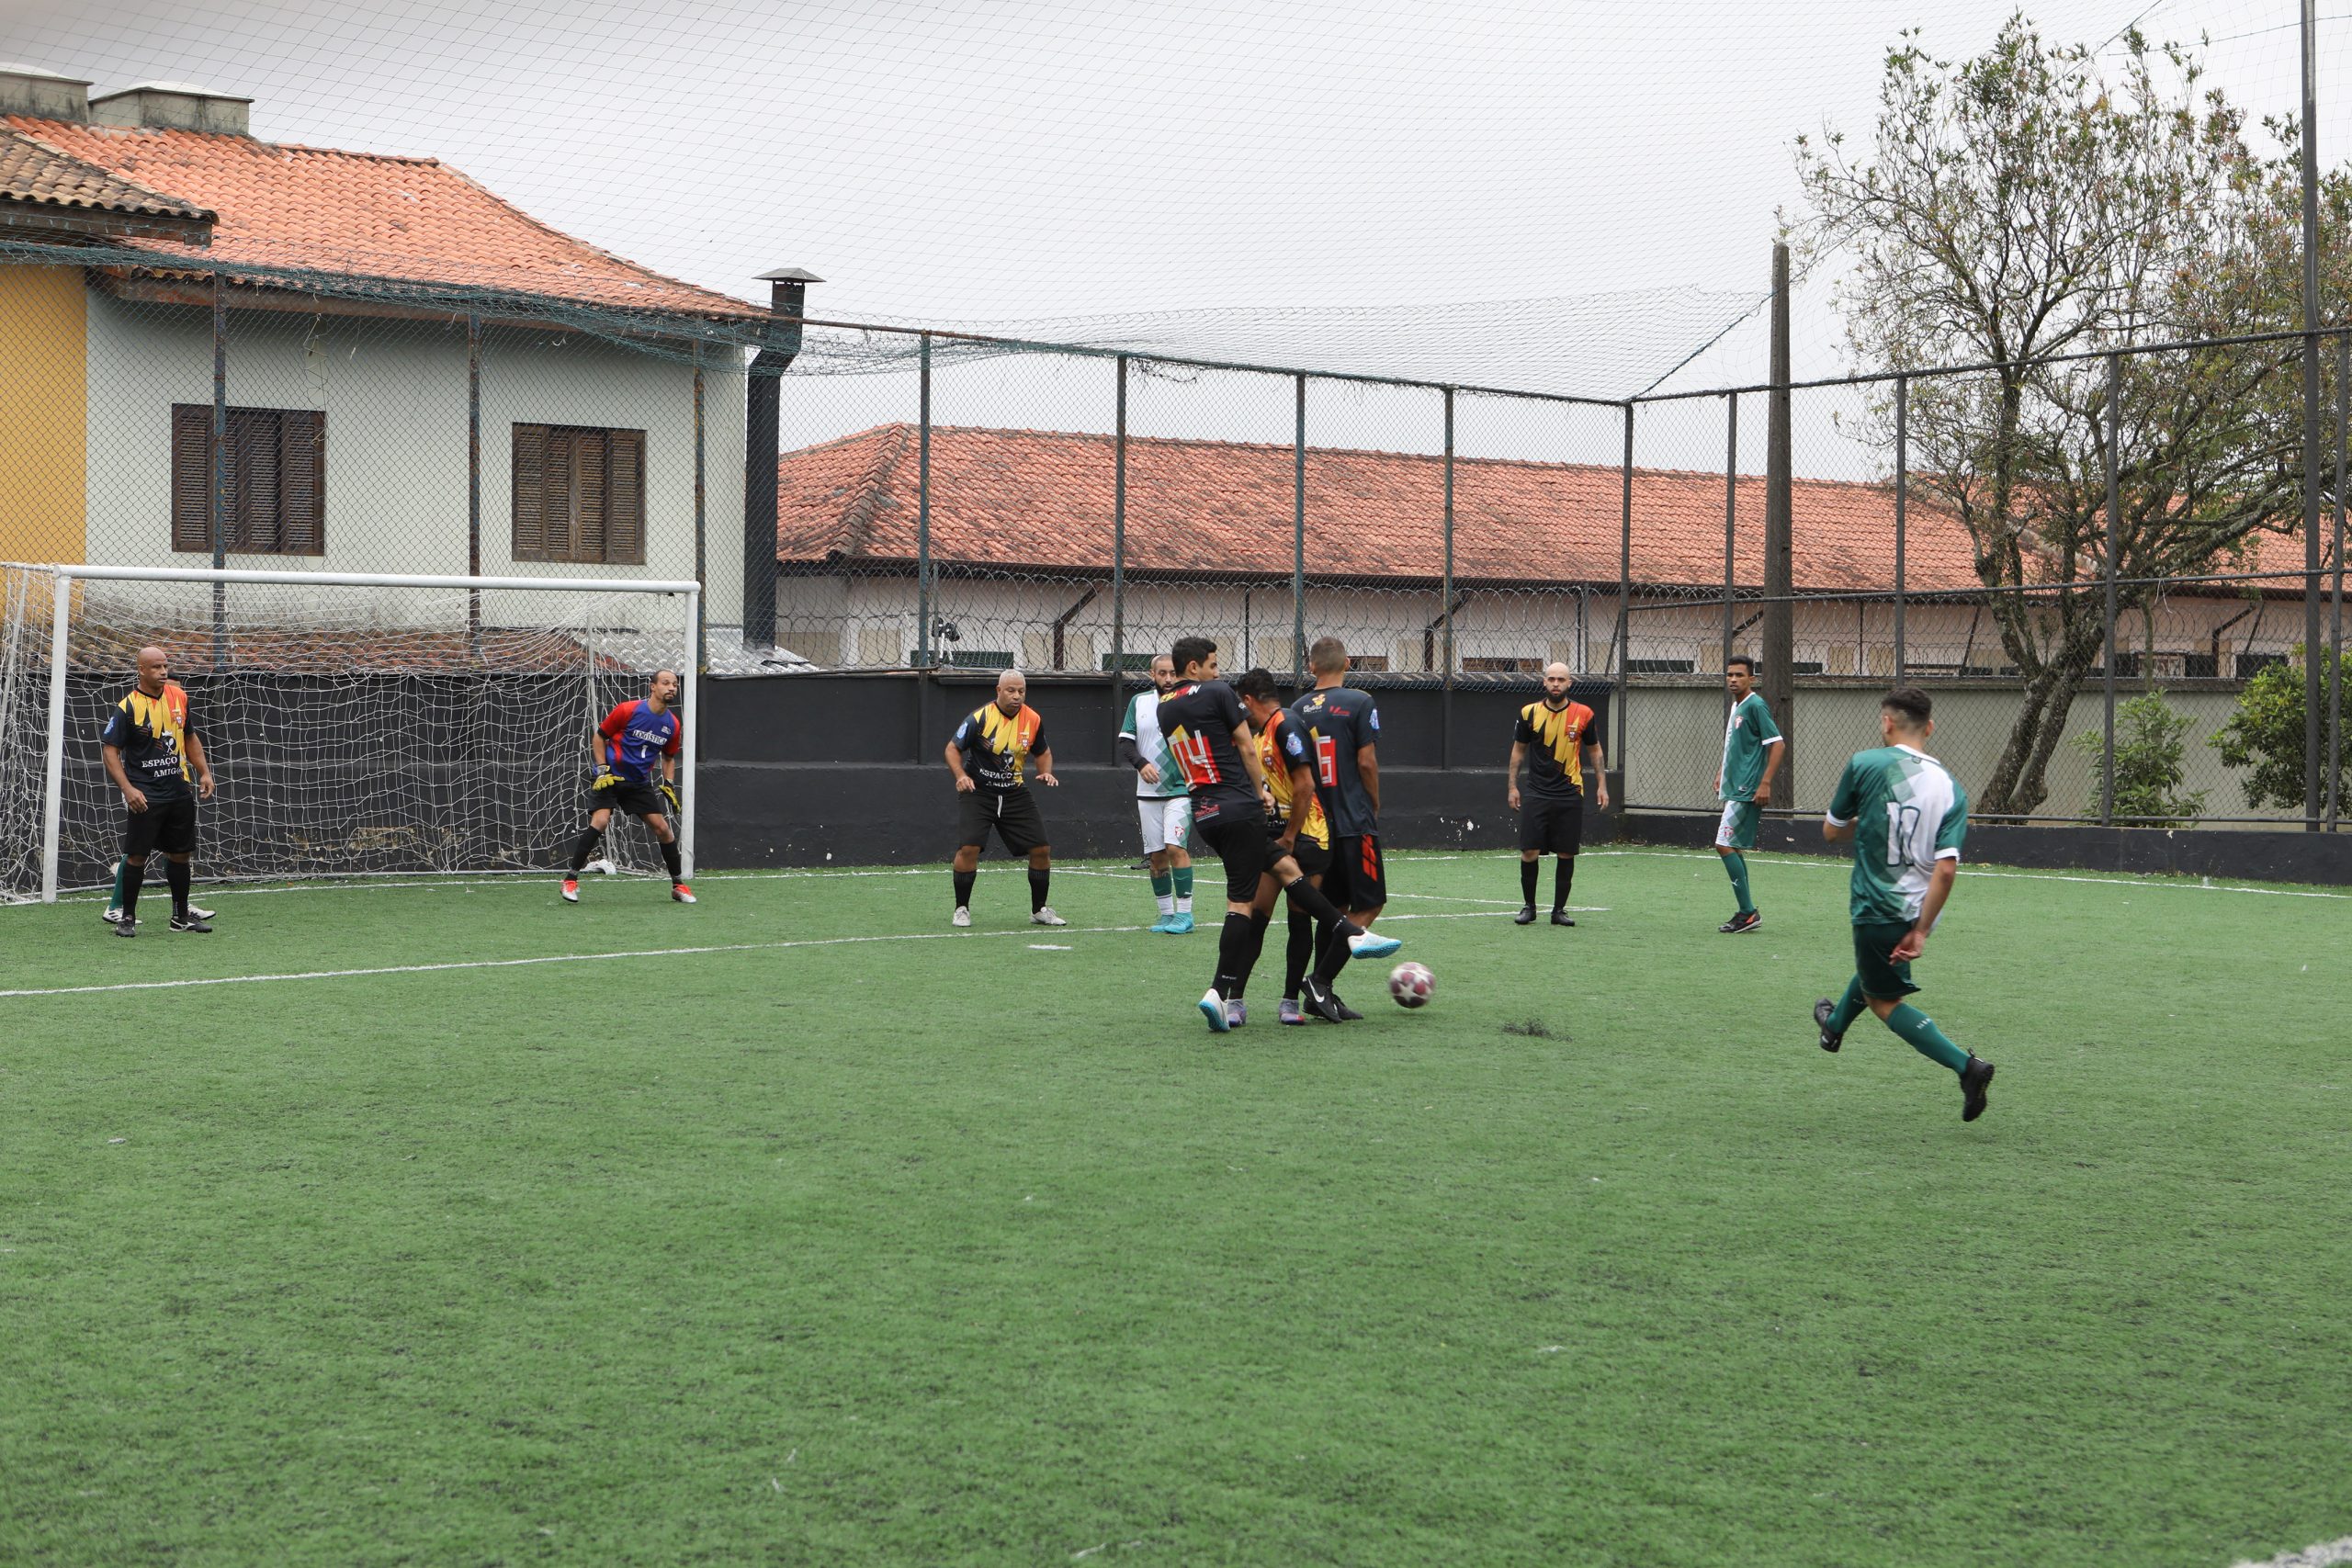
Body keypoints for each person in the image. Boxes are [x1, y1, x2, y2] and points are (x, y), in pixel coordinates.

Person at [1158, 639, 1397, 1032]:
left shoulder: (1167, 704)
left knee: (1287, 882)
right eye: (1214, 665)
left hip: (1216, 813)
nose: (1218, 673)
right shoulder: (1238, 705)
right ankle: (1225, 993)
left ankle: (1309, 975)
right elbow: (1256, 759)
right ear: (1196, 665)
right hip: (1255, 815)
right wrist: (1261, 796)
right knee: (1249, 905)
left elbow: (1297, 778)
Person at [1814, 687, 1996, 1122]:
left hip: (1876, 904)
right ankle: (1834, 1027)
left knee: (1883, 1002)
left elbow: (1831, 831)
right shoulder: (1953, 788)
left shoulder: (1865, 763)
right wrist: (1922, 930)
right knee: (1876, 972)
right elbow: (1946, 870)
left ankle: (1967, 1068)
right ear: (1930, 728)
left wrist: (1871, 820)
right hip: (1917, 908)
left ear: (1886, 723)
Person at [1287, 637, 1386, 1004]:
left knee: (1334, 911)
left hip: (1316, 827)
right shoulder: (1361, 701)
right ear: (1347, 662)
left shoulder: (1296, 709)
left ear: (1311, 667)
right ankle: (1320, 981)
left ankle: (1323, 988)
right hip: (1352, 821)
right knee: (1370, 904)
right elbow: (1366, 761)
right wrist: (1373, 803)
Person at [1235, 668, 1335, 1025]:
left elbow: (1304, 785)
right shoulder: (1262, 730)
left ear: (1248, 700)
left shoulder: (1286, 725)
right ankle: (1235, 1000)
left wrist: (1290, 837)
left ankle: (1290, 1001)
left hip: (1307, 835)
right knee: (1256, 918)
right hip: (1277, 834)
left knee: (1298, 919)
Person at [98, 645, 216, 937]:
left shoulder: (179, 697)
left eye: (165, 666)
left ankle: (180, 917)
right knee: (137, 856)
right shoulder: (128, 707)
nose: (163, 672)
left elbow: (190, 737)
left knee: (180, 855)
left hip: (178, 790)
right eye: (156, 667)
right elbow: (110, 751)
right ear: (141, 670)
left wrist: (204, 771)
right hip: (145, 796)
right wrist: (127, 788)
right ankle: (126, 918)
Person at [562, 669, 693, 905]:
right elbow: (600, 737)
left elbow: (669, 757)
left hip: (638, 783)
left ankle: (678, 885)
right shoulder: (628, 709)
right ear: (653, 686)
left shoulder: (672, 724)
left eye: (675, 684)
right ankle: (570, 880)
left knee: (663, 829)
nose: (672, 688)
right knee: (600, 822)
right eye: (666, 683)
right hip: (610, 777)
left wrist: (669, 784)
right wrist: (602, 769)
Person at [945, 669, 1063, 928]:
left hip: (1014, 792)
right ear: (998, 691)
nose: (1017, 696)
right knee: (969, 848)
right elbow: (953, 748)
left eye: (1021, 691)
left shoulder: (1033, 719)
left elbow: (1042, 751)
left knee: (1041, 848)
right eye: (1011, 690)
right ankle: (961, 908)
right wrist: (960, 776)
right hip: (979, 792)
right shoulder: (980, 717)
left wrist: (1045, 772)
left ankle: (1039, 910)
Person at [1506, 662, 1607, 927]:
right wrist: (1512, 787)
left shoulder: (1583, 714)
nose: (1556, 684)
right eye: (1551, 679)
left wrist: (1602, 785)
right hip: (1537, 792)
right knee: (1529, 851)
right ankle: (1529, 907)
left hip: (1570, 792)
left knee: (1566, 853)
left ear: (1570, 683)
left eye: (1561, 679)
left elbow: (1594, 750)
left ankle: (1559, 911)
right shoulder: (1529, 713)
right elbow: (1518, 750)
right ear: (1543, 682)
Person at [1116, 653, 1196, 933]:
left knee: (1176, 847)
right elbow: (1126, 743)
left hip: (1181, 790)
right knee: (1157, 856)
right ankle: (1166, 915)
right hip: (1148, 792)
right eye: (1162, 673)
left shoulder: (1191, 702)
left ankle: (1185, 916)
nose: (1168, 679)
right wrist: (1141, 764)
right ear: (1152, 675)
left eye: (1173, 673)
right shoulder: (1140, 703)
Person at [1713, 653, 1783, 934]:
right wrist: (1721, 773)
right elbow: (1737, 746)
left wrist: (1765, 783)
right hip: (1736, 786)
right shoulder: (1737, 705)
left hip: (1747, 789)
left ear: (1751, 678)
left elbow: (1777, 745)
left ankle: (1747, 912)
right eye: (1729, 674)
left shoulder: (1755, 705)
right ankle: (1747, 912)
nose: (1733, 679)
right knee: (1731, 845)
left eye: (1739, 675)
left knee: (1723, 844)